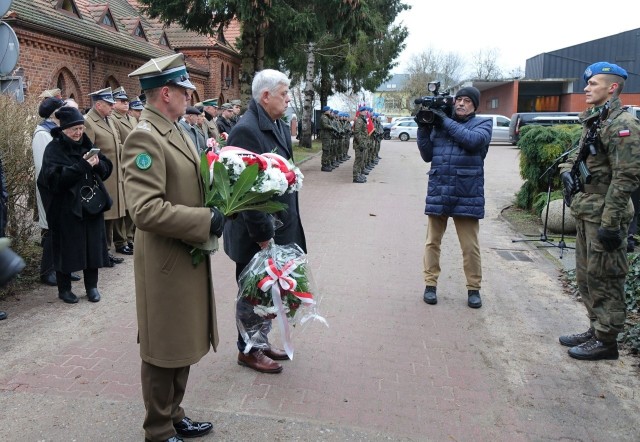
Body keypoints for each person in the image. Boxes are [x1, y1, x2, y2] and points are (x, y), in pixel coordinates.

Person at [122, 53, 221, 441]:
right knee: (163, 348)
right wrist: (205, 221)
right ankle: (159, 429)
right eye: (183, 90)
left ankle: (174, 413)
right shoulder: (145, 136)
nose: (188, 96)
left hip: (186, 253)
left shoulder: (176, 129)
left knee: (182, 339)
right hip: (165, 261)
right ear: (166, 93)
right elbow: (145, 210)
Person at [224, 68, 307, 374]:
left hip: (279, 226)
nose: (288, 99)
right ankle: (248, 350)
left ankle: (259, 341)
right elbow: (246, 191)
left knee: (269, 291)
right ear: (265, 96)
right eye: (284, 94)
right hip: (255, 233)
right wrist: (263, 237)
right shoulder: (246, 130)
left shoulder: (278, 125)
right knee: (252, 291)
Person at [558, 62, 640, 360]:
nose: (586, 89)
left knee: (606, 277)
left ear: (612, 87)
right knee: (587, 276)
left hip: (606, 215)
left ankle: (607, 341)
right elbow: (578, 157)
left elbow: (626, 177)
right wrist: (568, 172)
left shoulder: (623, 125)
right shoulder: (596, 120)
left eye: (592, 84)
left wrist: (610, 222)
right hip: (587, 210)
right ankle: (596, 328)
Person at [416, 86, 492, 309]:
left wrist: (443, 122)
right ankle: (430, 285)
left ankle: (473, 289)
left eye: (467, 100)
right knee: (432, 242)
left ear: (475, 105)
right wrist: (423, 128)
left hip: (466, 192)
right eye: (458, 99)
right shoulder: (440, 124)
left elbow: (472, 141)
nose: (460, 103)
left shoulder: (483, 124)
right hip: (439, 188)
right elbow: (427, 155)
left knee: (470, 246)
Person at [37, 106, 113, 304]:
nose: (79, 133)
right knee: (67, 249)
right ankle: (65, 289)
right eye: (74, 129)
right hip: (66, 208)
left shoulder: (87, 145)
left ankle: (92, 287)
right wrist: (82, 166)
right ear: (64, 130)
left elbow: (106, 170)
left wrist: (98, 165)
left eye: (81, 128)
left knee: (92, 248)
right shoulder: (53, 149)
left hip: (91, 206)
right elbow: (53, 180)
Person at [32, 96, 82, 287]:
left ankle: (63, 268)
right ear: (55, 113)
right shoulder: (42, 134)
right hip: (50, 190)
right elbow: (43, 167)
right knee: (52, 230)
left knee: (63, 230)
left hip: (61, 188)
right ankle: (47, 271)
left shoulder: (54, 131)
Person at [84, 87, 129, 261]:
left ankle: (108, 251)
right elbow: (89, 151)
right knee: (104, 217)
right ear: (99, 104)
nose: (112, 107)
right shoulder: (89, 121)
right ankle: (103, 253)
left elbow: (117, 145)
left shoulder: (108, 120)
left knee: (112, 215)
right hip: (101, 177)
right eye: (109, 104)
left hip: (114, 175)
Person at [110, 87, 137, 253]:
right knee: (122, 206)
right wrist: (133, 150)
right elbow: (117, 143)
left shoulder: (131, 119)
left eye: (127, 101)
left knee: (131, 203)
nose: (126, 104)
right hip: (122, 164)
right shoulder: (113, 119)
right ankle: (121, 240)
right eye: (122, 101)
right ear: (114, 103)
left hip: (133, 165)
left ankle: (129, 237)